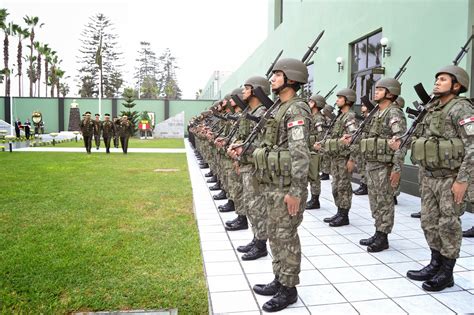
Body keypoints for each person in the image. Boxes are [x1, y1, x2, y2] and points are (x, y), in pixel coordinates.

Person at [235, 58, 311, 312]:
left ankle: (289, 289)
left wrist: (295, 193)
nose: (272, 79)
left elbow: (300, 155)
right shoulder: (278, 107)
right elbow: (269, 146)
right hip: (271, 184)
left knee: (285, 237)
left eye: (278, 75)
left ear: (290, 79)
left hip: (286, 187)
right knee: (276, 238)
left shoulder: (296, 110)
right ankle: (279, 280)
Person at [390, 65, 473, 292]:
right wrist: (400, 145)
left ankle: (447, 272)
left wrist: (462, 181)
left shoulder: (462, 109)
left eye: (443, 79)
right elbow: (417, 135)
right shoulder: (432, 109)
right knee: (428, 222)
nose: (437, 82)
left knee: (448, 224)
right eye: (436, 78)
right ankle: (435, 262)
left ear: (456, 86)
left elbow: (472, 146)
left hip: (450, 178)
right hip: (428, 176)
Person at [344, 78, 407, 252]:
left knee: (384, 201)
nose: (376, 92)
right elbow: (366, 134)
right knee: (375, 201)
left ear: (390, 93)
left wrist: (397, 169)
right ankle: (378, 231)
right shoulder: (376, 112)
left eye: (380, 89)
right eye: (376, 89)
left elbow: (401, 142)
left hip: (384, 166)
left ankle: (383, 236)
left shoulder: (394, 113)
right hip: (372, 165)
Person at [228, 76, 270, 260]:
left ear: (256, 91)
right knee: (251, 204)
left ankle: (261, 244)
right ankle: (256, 238)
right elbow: (245, 137)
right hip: (247, 164)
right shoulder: (251, 111)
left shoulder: (263, 113)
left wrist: (242, 149)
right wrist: (237, 148)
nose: (243, 91)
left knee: (257, 206)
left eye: (246, 88)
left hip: (256, 167)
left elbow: (265, 145)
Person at [315, 88, 358, 227]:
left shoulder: (350, 117)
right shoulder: (340, 116)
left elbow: (354, 139)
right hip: (336, 158)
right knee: (336, 187)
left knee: (343, 186)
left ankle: (344, 215)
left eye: (340, 98)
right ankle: (339, 211)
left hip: (344, 158)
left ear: (347, 100)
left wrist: (352, 159)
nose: (337, 100)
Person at [306, 93, 326, 209]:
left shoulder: (318, 118)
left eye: (310, 101)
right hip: (310, 149)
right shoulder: (311, 116)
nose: (308, 103)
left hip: (315, 151)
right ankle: (313, 198)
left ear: (315, 104)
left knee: (315, 176)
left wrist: (318, 147)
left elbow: (321, 135)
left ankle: (315, 199)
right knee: (311, 174)